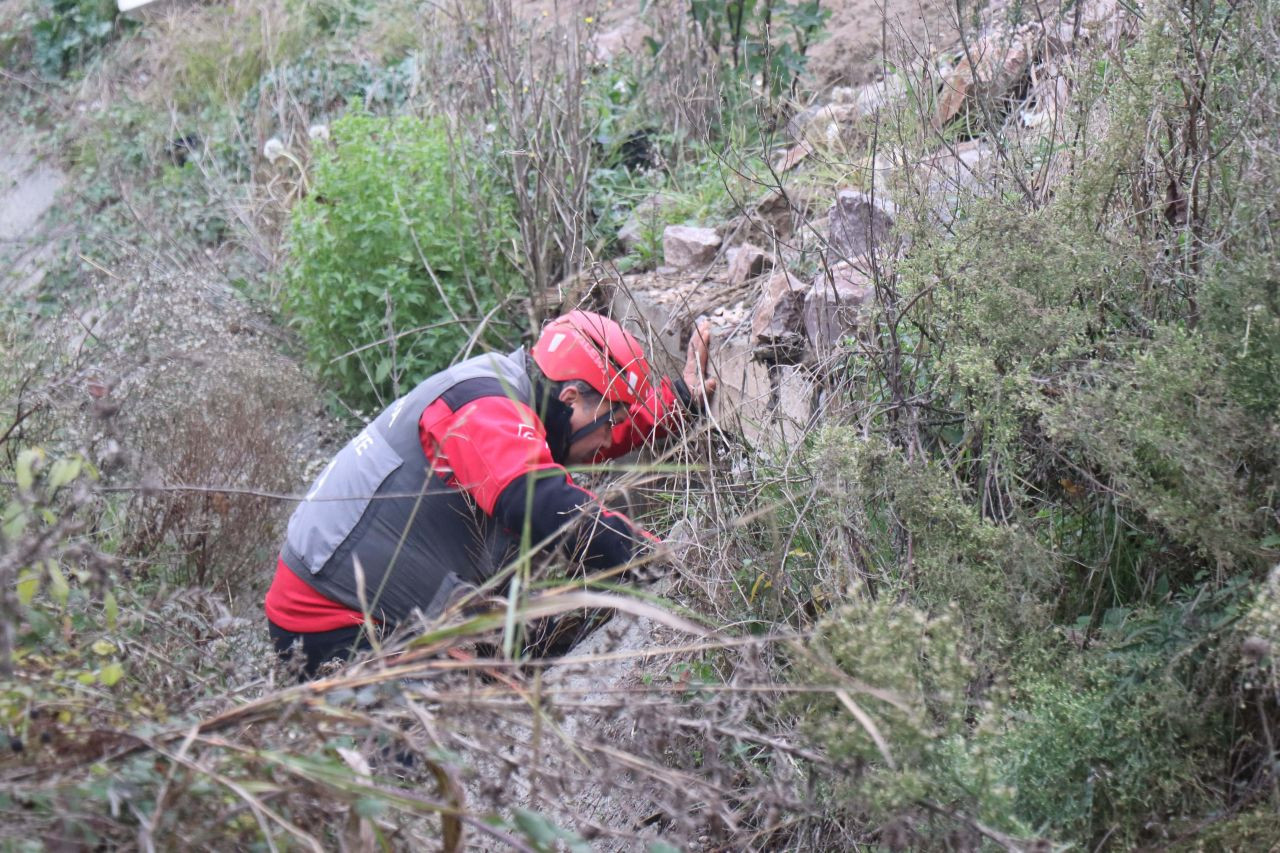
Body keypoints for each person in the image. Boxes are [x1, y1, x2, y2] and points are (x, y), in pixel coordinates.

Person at [265, 310, 716, 674]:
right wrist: (658, 561)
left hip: (353, 600)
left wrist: (678, 400)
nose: (609, 439)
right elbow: (544, 505)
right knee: (433, 770)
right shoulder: (483, 410)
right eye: (613, 418)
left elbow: (577, 441)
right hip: (332, 622)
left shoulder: (508, 391)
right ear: (571, 397)